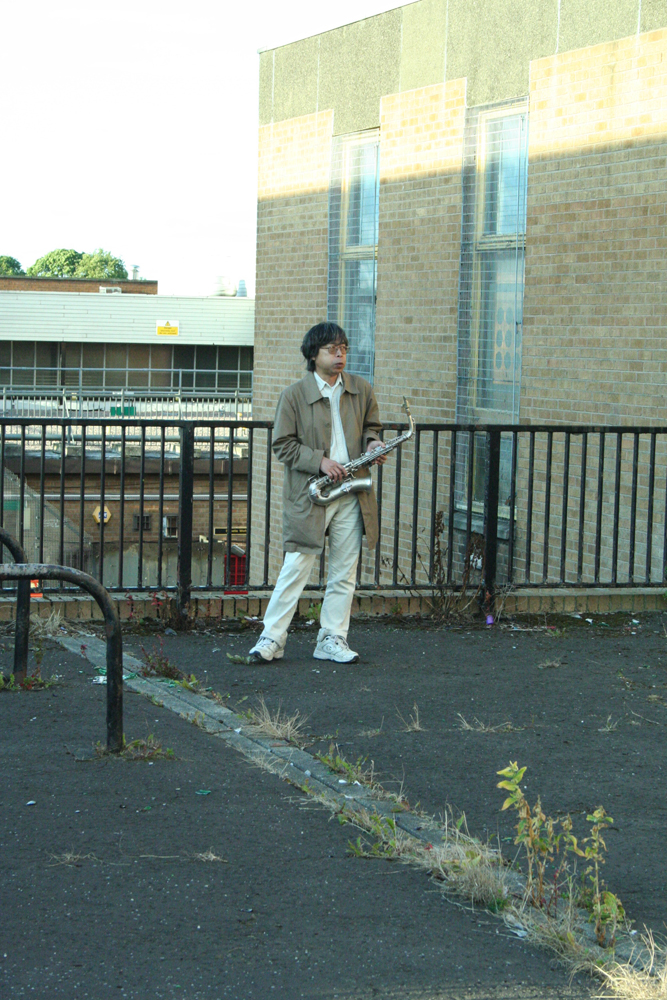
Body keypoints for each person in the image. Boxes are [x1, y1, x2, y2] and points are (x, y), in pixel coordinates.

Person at [249, 321, 386, 664]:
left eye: (343, 348)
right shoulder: (294, 395)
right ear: (314, 355)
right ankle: (272, 638)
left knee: (344, 571)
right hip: (311, 493)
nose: (340, 355)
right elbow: (282, 445)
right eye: (331, 349)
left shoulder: (361, 390)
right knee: (296, 566)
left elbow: (372, 427)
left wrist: (375, 443)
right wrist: (320, 462)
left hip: (352, 490)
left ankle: (332, 638)